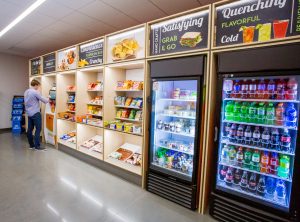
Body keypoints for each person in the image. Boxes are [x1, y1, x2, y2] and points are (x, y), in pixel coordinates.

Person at [24, 79, 49, 150]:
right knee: (38, 129)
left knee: (30, 130)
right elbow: (44, 101)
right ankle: (37, 146)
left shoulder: (26, 91)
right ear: (36, 85)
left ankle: (31, 145)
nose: (38, 87)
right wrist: (49, 98)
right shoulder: (35, 92)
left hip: (29, 113)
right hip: (35, 113)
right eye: (38, 86)